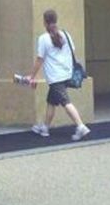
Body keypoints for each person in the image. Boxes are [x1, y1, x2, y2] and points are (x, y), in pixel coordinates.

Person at [24, 9, 90, 141]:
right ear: (56, 20)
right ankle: (45, 128)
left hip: (55, 77)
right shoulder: (66, 35)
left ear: (44, 22)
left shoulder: (43, 39)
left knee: (66, 102)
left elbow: (40, 59)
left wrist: (31, 76)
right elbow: (72, 52)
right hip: (67, 73)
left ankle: (81, 126)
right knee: (51, 102)